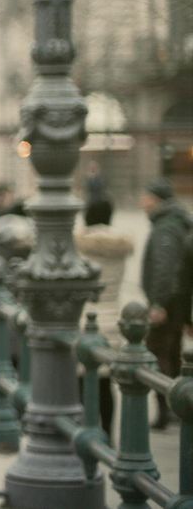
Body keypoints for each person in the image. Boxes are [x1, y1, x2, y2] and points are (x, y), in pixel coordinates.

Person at [74, 197, 134, 439]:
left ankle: (87, 433)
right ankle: (108, 434)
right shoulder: (119, 248)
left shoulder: (81, 246)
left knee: (82, 383)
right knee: (106, 384)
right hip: (113, 318)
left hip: (85, 319)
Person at [139, 178, 192, 430]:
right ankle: (173, 408)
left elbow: (165, 268)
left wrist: (158, 303)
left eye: (146, 196)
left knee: (159, 354)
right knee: (171, 354)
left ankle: (166, 410)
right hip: (178, 302)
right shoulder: (171, 222)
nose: (142, 201)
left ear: (157, 199)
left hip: (168, 304)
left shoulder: (166, 228)